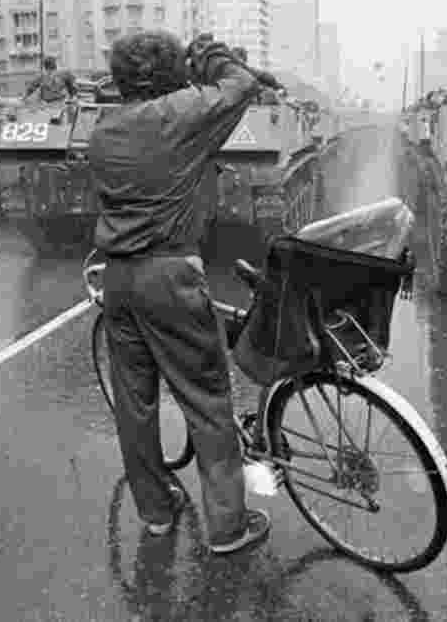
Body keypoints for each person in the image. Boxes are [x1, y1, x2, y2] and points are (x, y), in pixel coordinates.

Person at [89, 30, 274, 551]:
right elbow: (241, 84)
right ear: (171, 74)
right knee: (207, 400)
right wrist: (210, 54)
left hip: (118, 278)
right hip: (170, 276)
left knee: (135, 404)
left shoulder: (104, 130)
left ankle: (155, 512)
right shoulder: (179, 115)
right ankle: (227, 527)